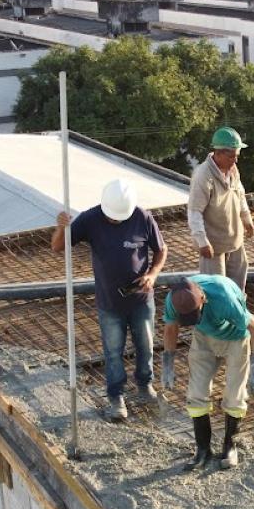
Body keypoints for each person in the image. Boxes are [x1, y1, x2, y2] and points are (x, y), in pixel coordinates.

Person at [51, 178, 166, 422]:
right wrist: (61, 228)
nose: (116, 220)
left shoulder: (142, 217)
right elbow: (58, 247)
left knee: (145, 345)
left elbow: (161, 249)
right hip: (110, 302)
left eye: (120, 217)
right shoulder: (91, 219)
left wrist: (153, 274)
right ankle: (116, 397)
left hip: (141, 299)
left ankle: (145, 385)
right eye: (113, 216)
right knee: (113, 351)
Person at [160, 274, 254, 471]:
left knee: (235, 394)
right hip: (204, 336)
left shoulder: (224, 298)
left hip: (235, 337)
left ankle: (230, 447)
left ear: (203, 300)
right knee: (196, 393)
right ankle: (203, 449)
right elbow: (171, 329)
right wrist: (167, 366)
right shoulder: (174, 300)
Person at [187, 126, 254, 290]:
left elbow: (240, 194)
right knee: (217, 289)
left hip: (234, 239)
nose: (235, 160)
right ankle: (220, 317)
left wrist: (246, 218)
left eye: (237, 156)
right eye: (231, 156)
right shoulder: (203, 176)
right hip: (213, 245)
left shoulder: (233, 170)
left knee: (237, 286)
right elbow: (194, 211)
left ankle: (239, 315)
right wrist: (202, 241)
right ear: (218, 153)